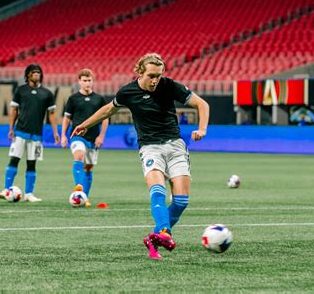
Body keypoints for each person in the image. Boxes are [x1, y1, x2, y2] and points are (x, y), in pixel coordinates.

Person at [72, 53, 210, 259]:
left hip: (175, 147)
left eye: (159, 75)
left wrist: (202, 128)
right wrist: (85, 124)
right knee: (157, 191)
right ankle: (164, 232)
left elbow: (202, 104)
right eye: (152, 75)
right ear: (140, 72)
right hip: (150, 148)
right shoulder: (128, 91)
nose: (156, 80)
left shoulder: (169, 85)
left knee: (181, 201)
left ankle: (155, 236)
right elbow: (108, 110)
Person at [0, 63, 60, 202]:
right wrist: (10, 128)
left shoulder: (47, 93)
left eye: (39, 72)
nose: (37, 74)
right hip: (20, 132)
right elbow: (14, 110)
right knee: (14, 159)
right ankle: (6, 189)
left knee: (32, 163)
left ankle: (29, 194)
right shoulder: (20, 90)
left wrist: (56, 132)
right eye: (34, 72)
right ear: (28, 75)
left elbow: (51, 114)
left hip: (37, 134)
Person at [61, 69, 109, 207]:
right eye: (84, 80)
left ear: (92, 81)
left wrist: (101, 136)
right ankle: (79, 187)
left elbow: (105, 118)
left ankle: (84, 197)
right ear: (79, 82)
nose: (87, 83)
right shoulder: (73, 99)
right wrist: (64, 135)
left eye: (89, 80)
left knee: (88, 168)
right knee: (79, 156)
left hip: (93, 138)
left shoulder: (99, 99)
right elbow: (67, 118)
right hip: (77, 136)